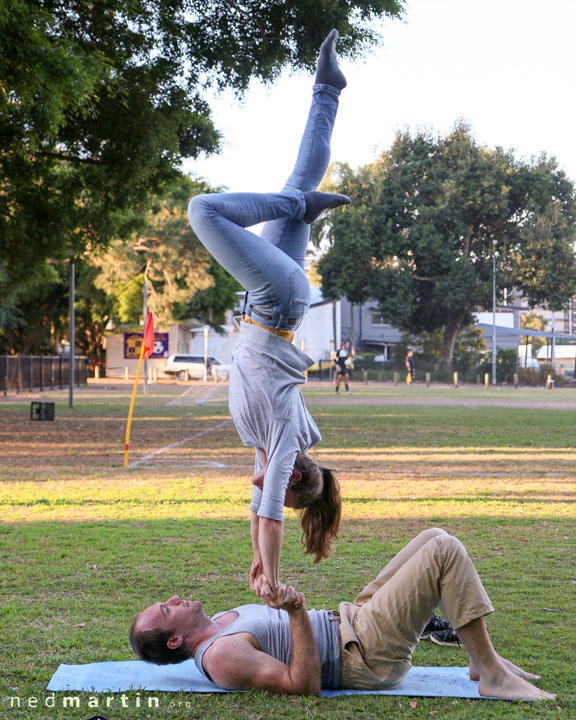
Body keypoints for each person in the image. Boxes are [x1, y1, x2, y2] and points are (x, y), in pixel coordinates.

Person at [187, 30, 350, 600]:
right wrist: (274, 578)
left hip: (270, 305)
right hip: (276, 301)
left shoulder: (264, 445)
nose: (261, 491)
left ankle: (327, 89)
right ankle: (300, 208)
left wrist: (254, 563)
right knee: (203, 209)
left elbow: (260, 514)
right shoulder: (282, 442)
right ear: (297, 476)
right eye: (276, 489)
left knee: (298, 178)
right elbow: (276, 516)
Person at [129, 528, 555, 702]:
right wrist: (296, 611)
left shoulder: (220, 620)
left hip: (353, 619)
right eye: (168, 608)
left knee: (434, 536)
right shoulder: (220, 657)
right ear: (173, 640)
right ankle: (491, 673)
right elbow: (304, 686)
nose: (175, 597)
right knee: (444, 552)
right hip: (364, 655)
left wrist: (263, 571)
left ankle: (483, 663)